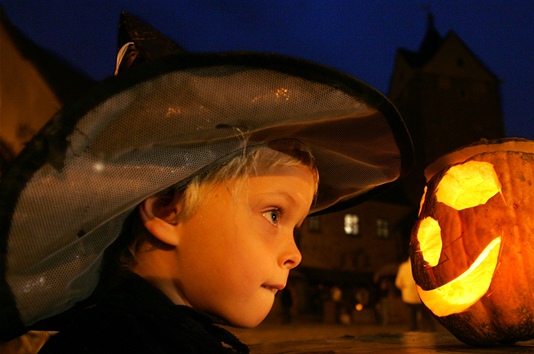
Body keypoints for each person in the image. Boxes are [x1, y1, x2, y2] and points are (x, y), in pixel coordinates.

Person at [0, 18, 412, 354]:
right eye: (274, 214)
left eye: (295, 226)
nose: (295, 255)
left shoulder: (148, 330)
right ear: (167, 209)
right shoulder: (124, 345)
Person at [395, 257, 435, 332]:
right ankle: (430, 329)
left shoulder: (403, 267)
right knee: (426, 315)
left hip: (408, 297)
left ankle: (413, 329)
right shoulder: (423, 266)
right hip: (421, 297)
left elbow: (398, 282)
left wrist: (404, 288)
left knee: (412, 316)